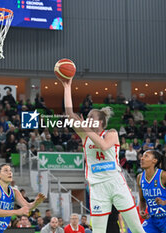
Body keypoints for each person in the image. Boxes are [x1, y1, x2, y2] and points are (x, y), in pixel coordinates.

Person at [60, 78, 145, 233]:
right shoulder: (85, 136)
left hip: (116, 183)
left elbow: (104, 145)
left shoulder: (111, 133)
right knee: (98, 231)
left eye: (91, 117)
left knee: (137, 228)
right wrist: (67, 86)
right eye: (87, 118)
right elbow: (69, 113)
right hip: (97, 187)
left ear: (100, 122)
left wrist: (86, 129)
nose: (87, 119)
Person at [0, 164, 45, 233]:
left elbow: (27, 207)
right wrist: (17, 212)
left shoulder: (14, 191)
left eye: (10, 170)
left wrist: (36, 203)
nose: (9, 172)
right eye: (6, 170)